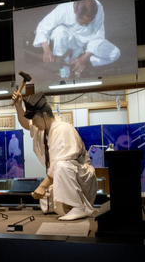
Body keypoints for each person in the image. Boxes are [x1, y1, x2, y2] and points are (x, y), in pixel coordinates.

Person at [13, 92, 98, 220]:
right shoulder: (43, 128)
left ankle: (78, 207)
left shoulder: (62, 129)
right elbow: (26, 124)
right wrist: (18, 106)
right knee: (47, 202)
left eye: (35, 120)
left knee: (61, 165)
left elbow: (60, 163)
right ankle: (70, 207)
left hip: (80, 177)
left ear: (45, 115)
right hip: (65, 176)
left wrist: (42, 186)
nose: (34, 124)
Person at [33, 0, 120, 77]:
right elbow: (42, 27)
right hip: (71, 37)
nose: (85, 25)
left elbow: (98, 36)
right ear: (75, 11)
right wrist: (46, 50)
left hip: (89, 40)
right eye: (82, 22)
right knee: (59, 32)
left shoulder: (98, 8)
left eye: (88, 22)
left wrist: (84, 58)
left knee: (114, 54)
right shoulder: (63, 8)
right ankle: (65, 62)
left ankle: (82, 62)